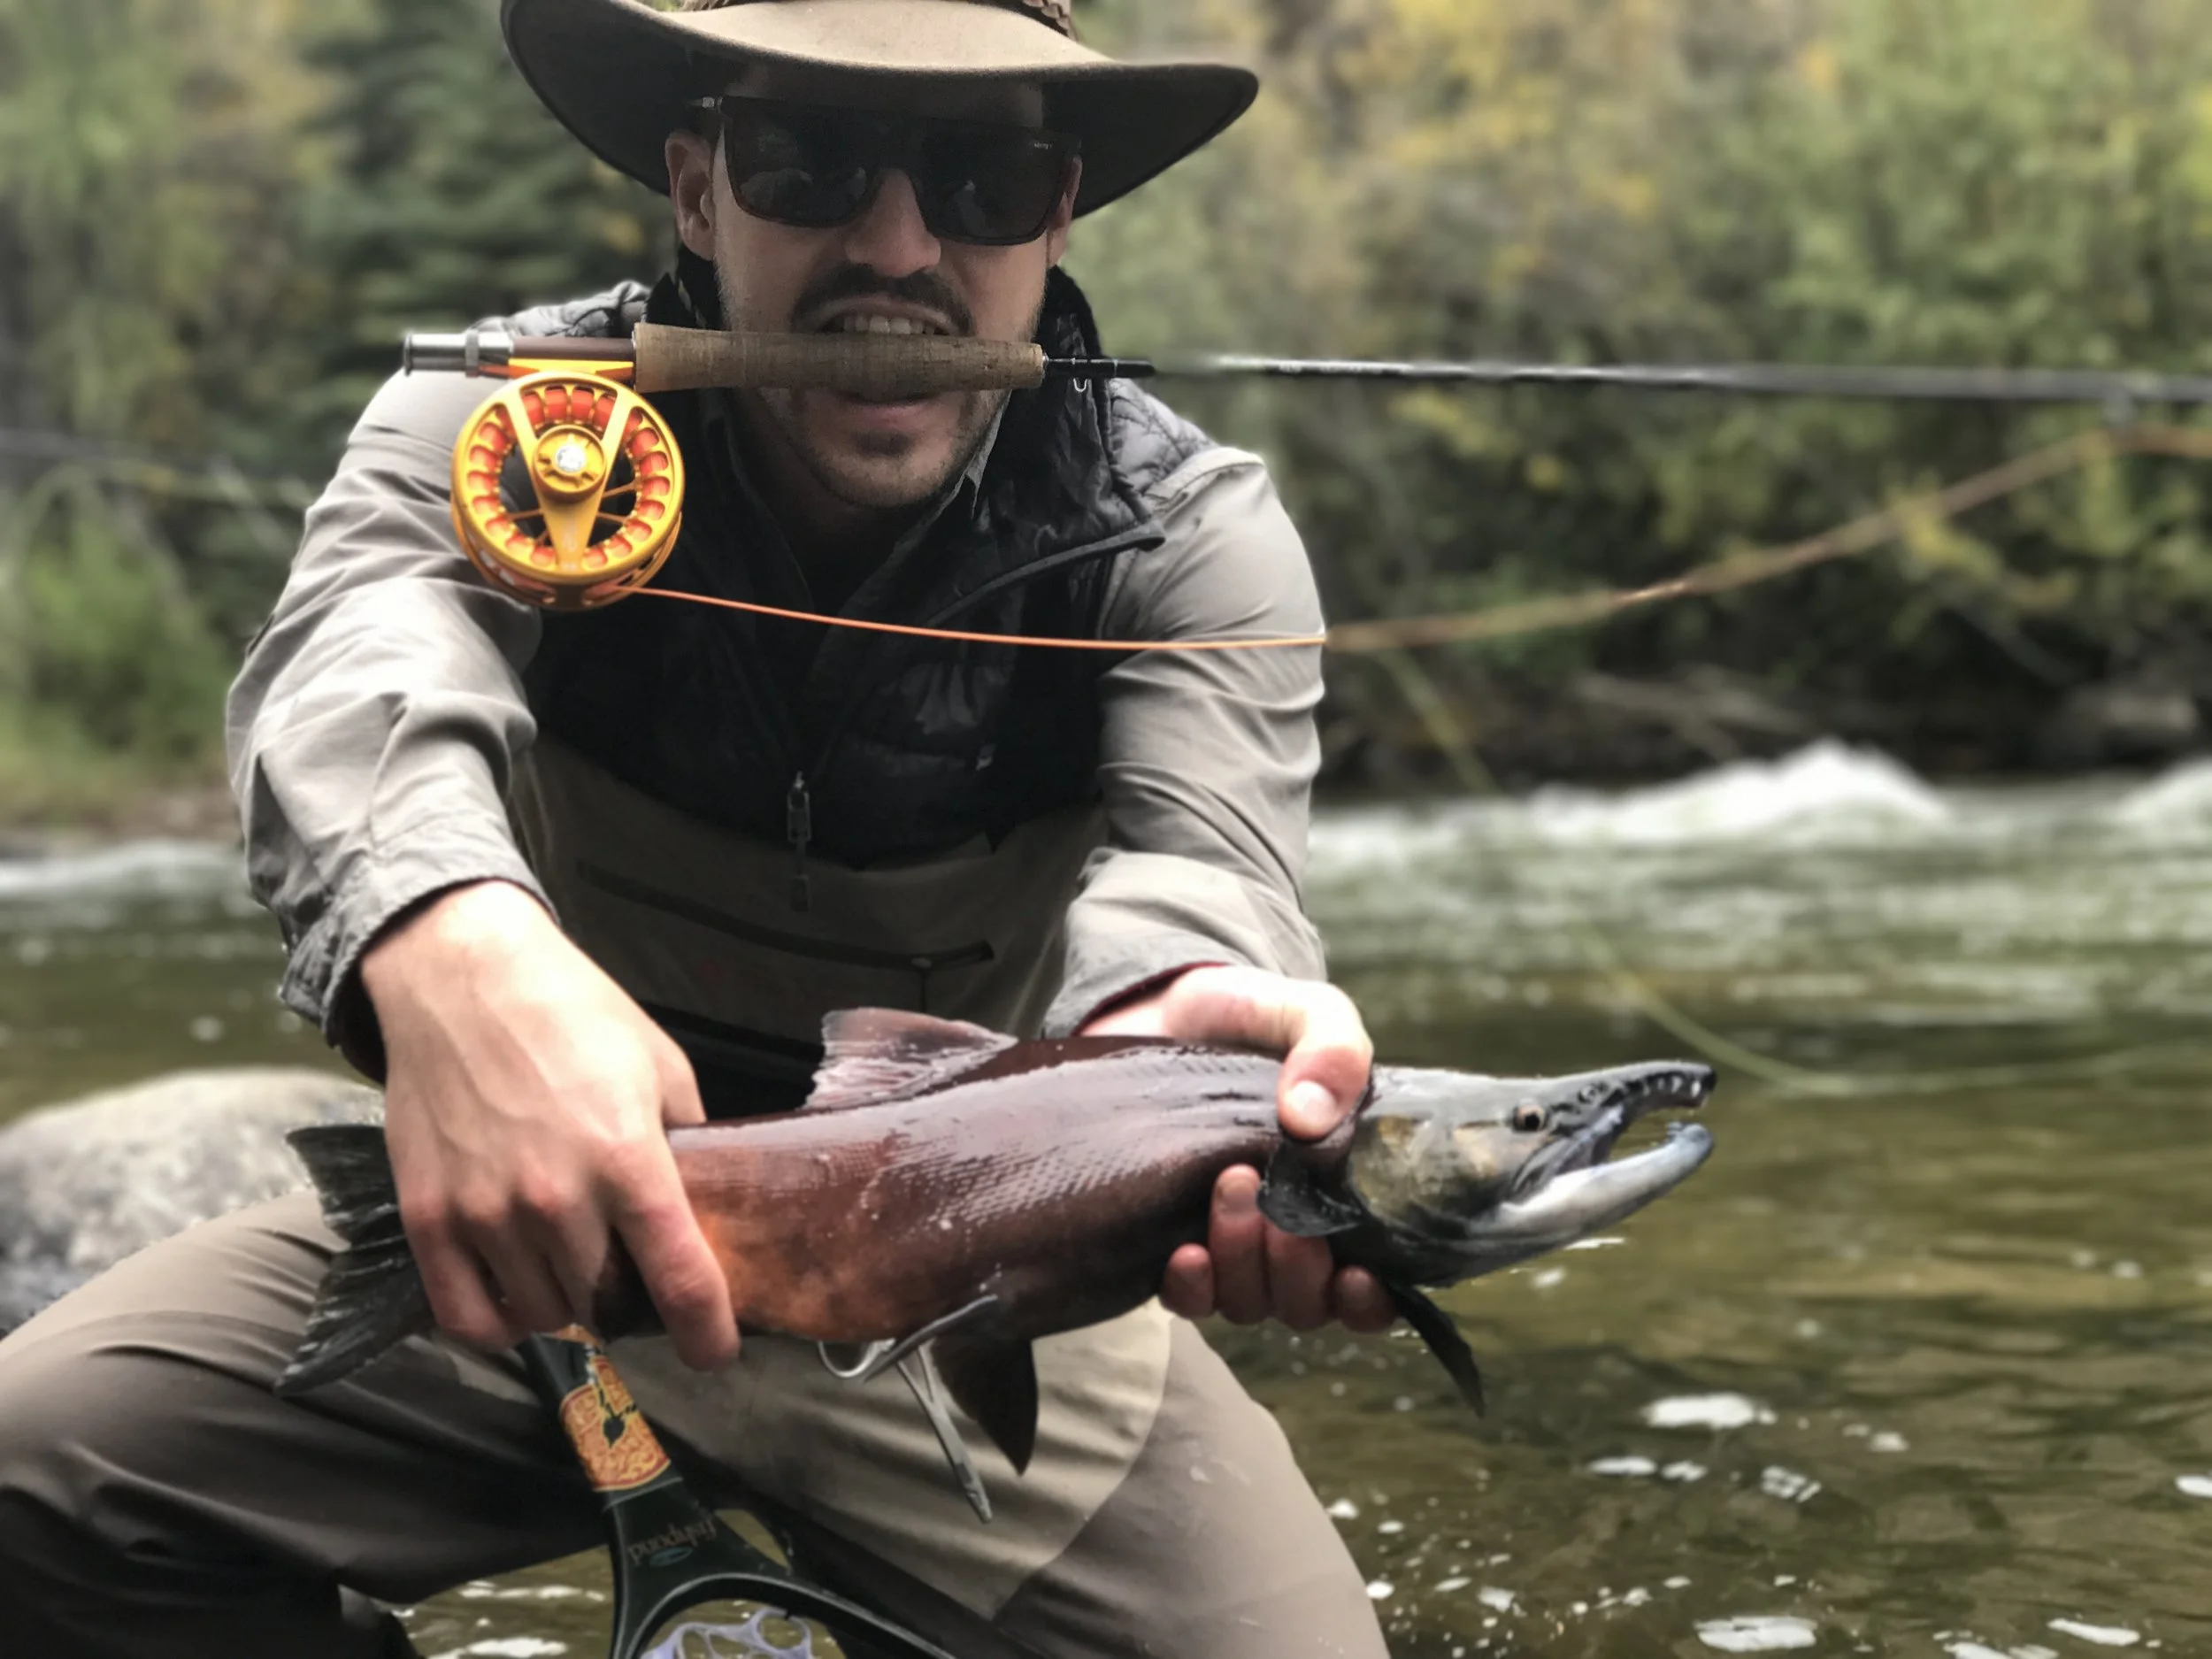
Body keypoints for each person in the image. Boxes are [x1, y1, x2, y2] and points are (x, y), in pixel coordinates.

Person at [0, 2, 1398, 1654]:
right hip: (536, 1240)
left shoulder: (1182, 536)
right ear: (695, 187)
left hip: (965, 1262)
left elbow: (1202, 875)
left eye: (980, 175)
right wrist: (450, 941)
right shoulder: (508, 431)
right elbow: (353, 665)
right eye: (808, 161)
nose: (896, 244)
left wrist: (1161, 1057)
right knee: (29, 1493)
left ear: (1058, 214)